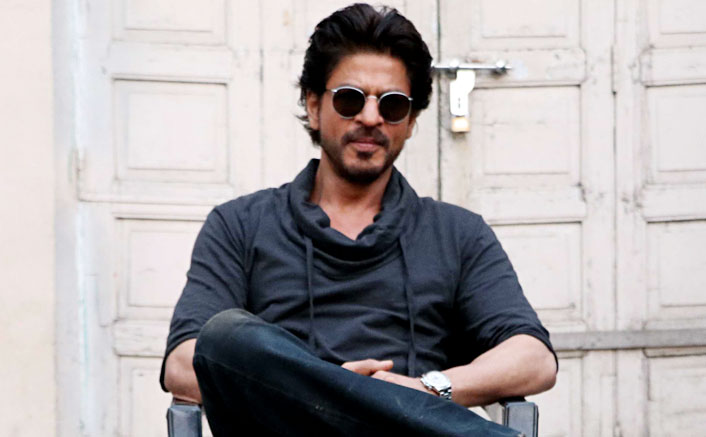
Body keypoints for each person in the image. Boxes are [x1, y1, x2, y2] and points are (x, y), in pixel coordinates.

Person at [161, 3, 557, 436]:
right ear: (314, 106)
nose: (370, 117)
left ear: (411, 122)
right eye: (350, 99)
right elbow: (184, 364)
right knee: (225, 336)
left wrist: (425, 389)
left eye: (393, 105)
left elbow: (533, 359)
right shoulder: (240, 225)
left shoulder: (458, 233)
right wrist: (330, 395)